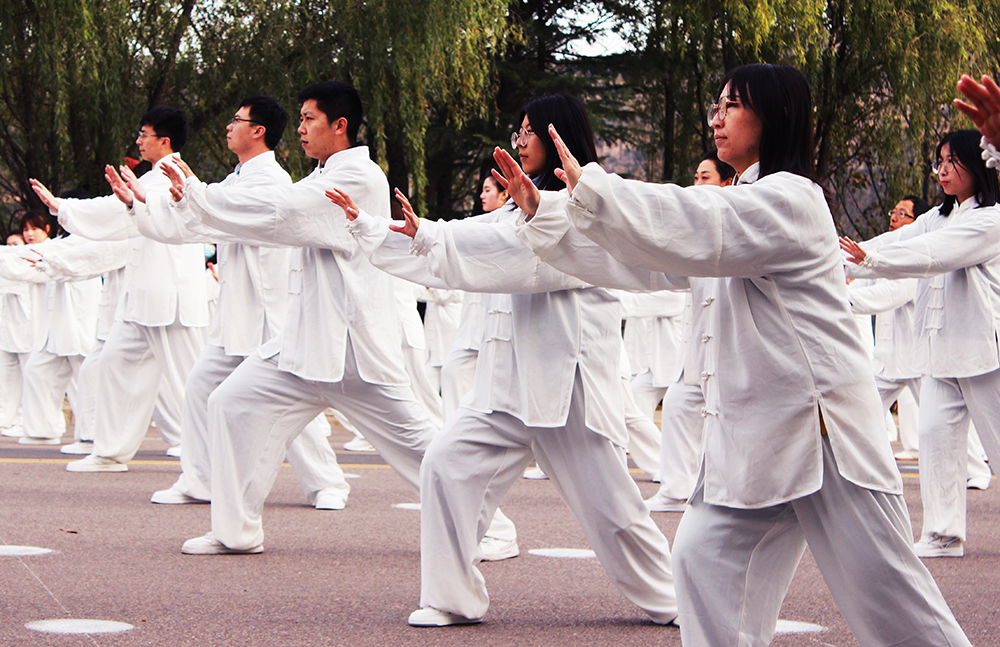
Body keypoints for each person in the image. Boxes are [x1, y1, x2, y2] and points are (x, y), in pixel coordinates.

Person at [510, 64, 969, 646]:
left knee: (890, 597)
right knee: (701, 561)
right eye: (716, 106)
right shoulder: (740, 203)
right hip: (758, 440)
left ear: (774, 116)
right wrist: (545, 215)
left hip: (824, 434)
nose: (717, 118)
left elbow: (700, 222)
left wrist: (595, 187)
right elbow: (646, 262)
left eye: (732, 105)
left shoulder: (792, 198)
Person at [330, 93, 678, 628]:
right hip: (506, 384)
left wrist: (430, 233)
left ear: (558, 136)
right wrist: (385, 230)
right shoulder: (519, 209)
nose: (520, 140)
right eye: (518, 131)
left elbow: (516, 255)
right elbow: (477, 240)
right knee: (445, 465)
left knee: (613, 512)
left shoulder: (582, 206)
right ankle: (452, 598)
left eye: (529, 131)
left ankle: (674, 601)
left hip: (565, 386)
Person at [135, 81, 438, 555]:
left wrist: (198, 193)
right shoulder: (321, 174)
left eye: (309, 119)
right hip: (304, 341)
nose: (300, 128)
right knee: (229, 402)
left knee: (418, 445)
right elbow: (266, 219)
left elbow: (283, 213)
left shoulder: (359, 176)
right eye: (299, 119)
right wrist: (191, 201)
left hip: (351, 347)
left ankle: (490, 529)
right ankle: (235, 532)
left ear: (339, 125)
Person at [107, 95, 351, 511]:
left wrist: (188, 196)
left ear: (258, 131)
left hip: (268, 311)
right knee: (201, 388)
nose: (228, 126)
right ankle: (200, 479)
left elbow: (220, 215)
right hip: (236, 312)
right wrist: (140, 202)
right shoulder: (235, 180)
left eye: (237, 120)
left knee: (285, 400)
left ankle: (327, 483)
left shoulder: (271, 180)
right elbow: (195, 222)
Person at [841, 129, 1000, 559]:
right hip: (941, 353)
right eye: (939, 162)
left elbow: (935, 253)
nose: (942, 170)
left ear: (978, 164)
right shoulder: (937, 218)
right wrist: (838, 261)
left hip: (985, 354)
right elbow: (899, 241)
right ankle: (943, 533)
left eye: (952, 161)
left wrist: (870, 261)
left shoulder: (991, 219)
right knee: (934, 437)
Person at [30, 106, 209, 472]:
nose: (139, 141)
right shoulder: (152, 177)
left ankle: (211, 460)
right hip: (142, 298)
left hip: (170, 298)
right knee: (115, 364)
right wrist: (67, 209)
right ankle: (110, 453)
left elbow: (116, 213)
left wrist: (62, 207)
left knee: (189, 383)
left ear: (164, 140)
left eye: (144, 134)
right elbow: (118, 211)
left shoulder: (171, 175)